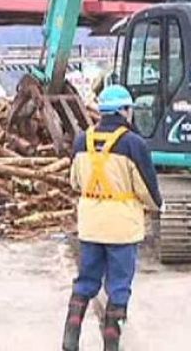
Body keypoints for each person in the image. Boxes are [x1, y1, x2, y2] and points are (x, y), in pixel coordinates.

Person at [61, 85, 163, 351]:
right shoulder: (133, 144)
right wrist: (157, 207)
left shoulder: (82, 140)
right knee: (118, 286)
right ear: (124, 110)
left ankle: (70, 336)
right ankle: (111, 344)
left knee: (86, 280)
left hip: (91, 225)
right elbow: (146, 188)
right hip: (121, 228)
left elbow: (74, 181)